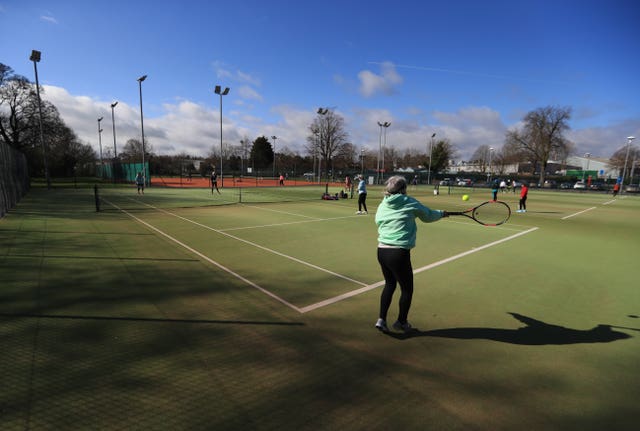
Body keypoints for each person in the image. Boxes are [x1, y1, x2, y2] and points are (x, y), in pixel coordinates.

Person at [374, 176, 448, 333]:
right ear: (403, 189)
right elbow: (428, 215)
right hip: (398, 253)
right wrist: (442, 213)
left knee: (390, 284)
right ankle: (401, 322)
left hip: (381, 251)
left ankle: (381, 319)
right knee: (407, 290)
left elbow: (378, 221)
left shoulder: (383, 204)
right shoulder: (409, 201)